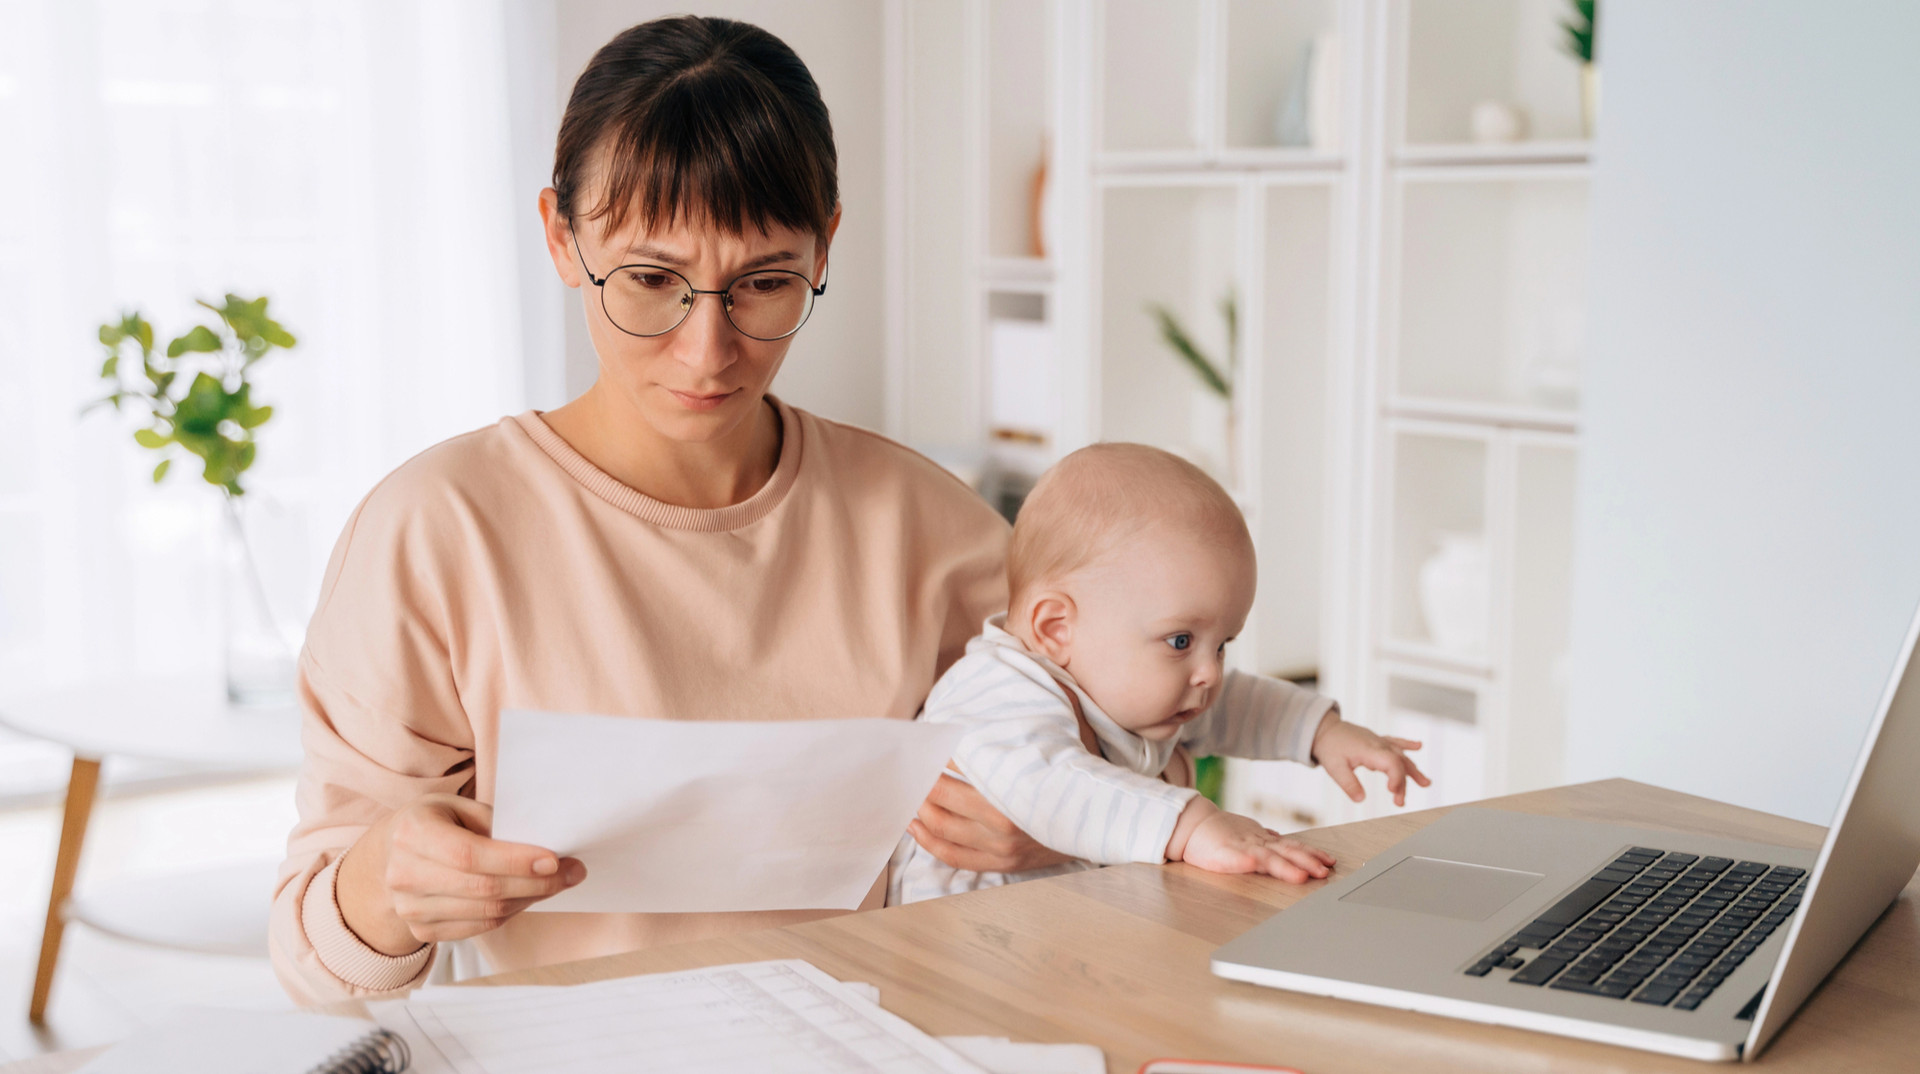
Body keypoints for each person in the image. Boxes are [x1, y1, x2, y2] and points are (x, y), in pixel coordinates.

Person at [269, 15, 1061, 1004]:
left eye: (765, 284)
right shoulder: (435, 533)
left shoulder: (935, 534)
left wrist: (1052, 829)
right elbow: (314, 965)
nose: (707, 351)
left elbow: (1127, 784)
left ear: (826, 247)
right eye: (651, 281)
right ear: (562, 236)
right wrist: (384, 886)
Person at [890, 443, 1429, 904]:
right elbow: (1049, 789)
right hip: (956, 942)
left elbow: (1235, 703)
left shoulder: (1126, 684)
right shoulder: (999, 694)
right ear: (1057, 629)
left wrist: (1321, 732)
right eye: (1180, 641)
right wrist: (1193, 825)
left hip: (1060, 923)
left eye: (1223, 645)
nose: (1209, 674)